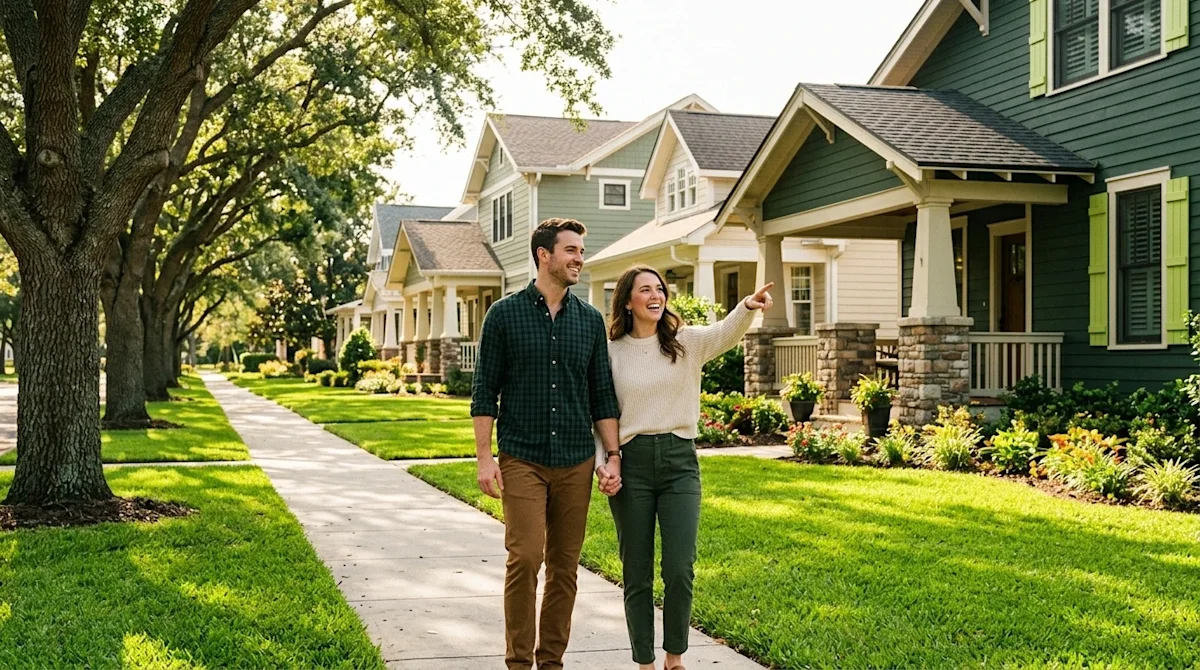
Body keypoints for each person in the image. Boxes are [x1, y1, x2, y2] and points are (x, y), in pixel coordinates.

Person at [597, 265, 773, 670]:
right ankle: (643, 660)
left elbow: (724, 333)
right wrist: (604, 462)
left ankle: (674, 657)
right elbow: (600, 413)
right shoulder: (611, 352)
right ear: (627, 301)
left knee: (678, 568)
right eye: (645, 290)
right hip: (632, 465)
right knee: (636, 572)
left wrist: (748, 306)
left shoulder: (685, 341)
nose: (656, 295)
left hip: (680, 463)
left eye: (660, 289)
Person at [471, 217, 623, 670]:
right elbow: (484, 390)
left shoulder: (590, 321)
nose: (580, 258)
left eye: (581, 250)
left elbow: (602, 395)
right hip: (523, 458)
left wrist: (611, 456)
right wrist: (484, 457)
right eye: (572, 250)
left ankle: (550, 661)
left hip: (575, 460)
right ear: (545, 255)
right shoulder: (503, 314)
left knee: (564, 566)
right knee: (525, 556)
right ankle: (518, 662)